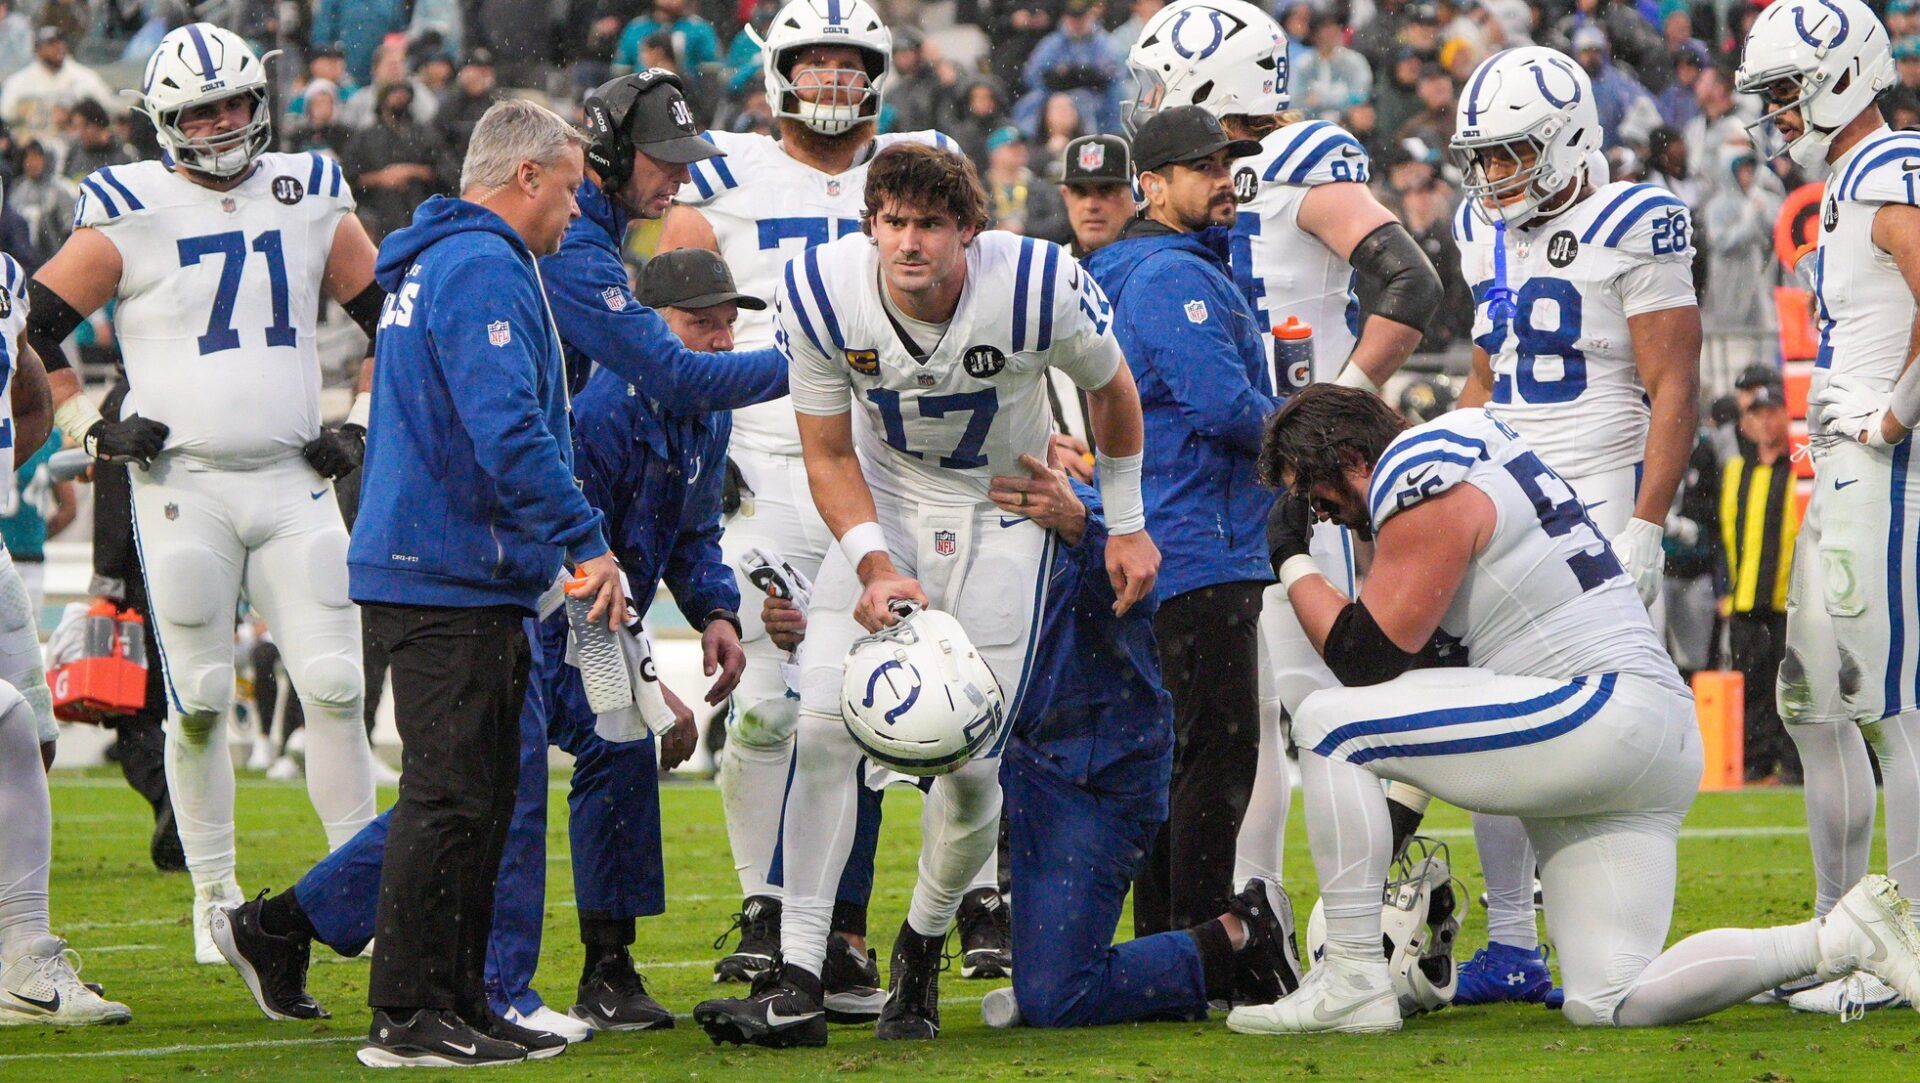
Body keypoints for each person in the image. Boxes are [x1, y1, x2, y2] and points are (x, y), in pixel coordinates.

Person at [1227, 382, 1920, 1034]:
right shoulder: (1473, 447)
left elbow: (1366, 654)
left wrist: (1291, 557)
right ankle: (1842, 936)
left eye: (1316, 499)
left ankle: (1351, 978)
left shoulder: (1416, 463)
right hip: (1645, 731)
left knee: (1327, 719)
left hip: (1595, 709)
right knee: (1611, 996)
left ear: (1350, 457)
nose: (1323, 516)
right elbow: (1426, 671)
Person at [693, 140, 1158, 1048]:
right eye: (893, 222)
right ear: (871, 224)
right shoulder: (824, 289)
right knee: (822, 725)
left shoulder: (1035, 282)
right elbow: (826, 452)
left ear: (968, 232)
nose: (909, 243)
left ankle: (920, 950)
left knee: (973, 762)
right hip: (888, 503)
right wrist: (871, 559)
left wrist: (1128, 517)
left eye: (930, 224)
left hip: (1003, 510)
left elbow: (1114, 391)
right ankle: (797, 974)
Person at [653, 0, 997, 995]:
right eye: (818, 62)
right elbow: (673, 306)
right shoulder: (720, 172)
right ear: (779, 70)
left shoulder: (919, 164)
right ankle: (768, 912)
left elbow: (980, 294)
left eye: (853, 64)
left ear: (881, 73)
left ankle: (904, 921)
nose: (835, 81)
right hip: (763, 461)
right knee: (765, 707)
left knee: (897, 702)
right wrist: (695, 433)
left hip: (886, 467)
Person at [26, 23, 382, 967]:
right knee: (201, 700)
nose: (223, 123)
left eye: (233, 103)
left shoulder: (308, 192)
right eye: (199, 111)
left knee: (339, 688)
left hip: (295, 477)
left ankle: (359, 885)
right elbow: (30, 322)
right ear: (163, 123)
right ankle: (215, 894)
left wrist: (363, 413)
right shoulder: (131, 206)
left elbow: (395, 311)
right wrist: (83, 425)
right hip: (181, 485)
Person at [1126, 0, 1440, 919]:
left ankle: (1353, 926)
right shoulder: (1189, 193)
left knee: (1324, 712)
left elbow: (1411, 280)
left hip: (1306, 476)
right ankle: (1250, 925)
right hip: (1236, 483)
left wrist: (1324, 414)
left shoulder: (1305, 159)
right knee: (1244, 727)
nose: (1144, 101)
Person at [346, 98, 623, 1069]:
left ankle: (456, 1000)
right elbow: (508, 431)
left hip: (453, 568)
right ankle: (409, 1012)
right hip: (446, 572)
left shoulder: (448, 261)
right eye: (573, 184)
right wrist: (585, 544)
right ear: (529, 176)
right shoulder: (479, 267)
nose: (581, 207)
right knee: (450, 796)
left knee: (479, 796)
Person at [1433, 45, 1701, 1006]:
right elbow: (1484, 367)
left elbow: (1673, 384)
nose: (1493, 175)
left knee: (1606, 722)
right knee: (1499, 708)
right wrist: (1452, 464)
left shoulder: (1636, 218)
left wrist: (1645, 520)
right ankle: (1512, 942)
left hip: (1600, 484)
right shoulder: (1480, 226)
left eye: (1513, 154)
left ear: (1568, 138)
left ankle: (1610, 930)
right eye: (1485, 156)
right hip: (1511, 489)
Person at [1738, 0, 1920, 1017]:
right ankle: (1837, 929)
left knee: (1893, 706)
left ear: (1844, 75)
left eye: (1785, 89)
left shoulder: (1888, 170)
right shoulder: (1853, 175)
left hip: (1883, 471)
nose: (1776, 111)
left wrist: (1892, 421)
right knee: (1813, 703)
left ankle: (1907, 941)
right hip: (1845, 472)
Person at [1085, 105, 1275, 937]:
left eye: (1225, 162)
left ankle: (1168, 939)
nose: (1223, 176)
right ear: (1152, 186)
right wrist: (1313, 426)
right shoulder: (1174, 277)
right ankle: (1202, 933)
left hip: (1168, 532)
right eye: (1203, 167)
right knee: (1218, 749)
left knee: (1180, 752)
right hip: (1196, 538)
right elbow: (1224, 407)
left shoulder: (1151, 266)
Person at [0, 244, 125, 1027]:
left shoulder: (7, 275)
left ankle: (22, 964)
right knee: (8, 724)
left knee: (33, 733)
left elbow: (30, 392)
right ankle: (22, 949)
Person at [1720, 367, 1802, 785]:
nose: (1766, 422)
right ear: (1746, 424)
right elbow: (1722, 534)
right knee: (1752, 686)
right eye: (1757, 415)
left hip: (1789, 601)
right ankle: (1755, 761)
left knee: (1792, 686)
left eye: (1774, 413)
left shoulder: (1800, 469)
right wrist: (1724, 588)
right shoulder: (1736, 472)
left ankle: (1792, 764)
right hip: (1746, 600)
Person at [0, 26, 110, 146]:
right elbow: (6, 116)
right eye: (51, 44)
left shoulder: (85, 77)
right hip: (34, 153)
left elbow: (107, 110)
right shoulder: (19, 82)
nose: (58, 47)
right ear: (38, 49)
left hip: (76, 152)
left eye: (61, 42)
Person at [1058, 133, 1133, 258]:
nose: (1091, 205)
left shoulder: (1156, 266)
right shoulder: (1050, 269)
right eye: (1080, 192)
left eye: (1105, 191)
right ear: (1066, 197)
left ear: (1136, 195)